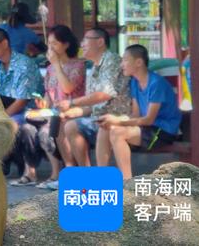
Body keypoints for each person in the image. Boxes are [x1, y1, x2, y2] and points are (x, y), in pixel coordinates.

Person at [96, 45, 182, 180]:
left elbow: (149, 119)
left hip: (162, 131)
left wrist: (118, 121)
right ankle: (101, 179)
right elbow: (136, 115)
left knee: (117, 132)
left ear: (139, 62)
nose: (121, 64)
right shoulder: (135, 83)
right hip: (146, 128)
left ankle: (127, 182)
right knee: (105, 128)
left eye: (125, 60)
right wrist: (114, 119)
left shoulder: (156, 83)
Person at [23, 25, 85, 190]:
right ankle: (55, 172)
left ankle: (67, 170)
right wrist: (42, 104)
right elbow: (49, 95)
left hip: (73, 112)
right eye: (48, 44)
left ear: (65, 45)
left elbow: (67, 89)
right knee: (29, 125)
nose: (50, 48)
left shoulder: (77, 66)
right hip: (54, 112)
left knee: (50, 129)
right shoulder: (49, 68)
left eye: (54, 44)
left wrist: (57, 64)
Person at [57, 27, 131, 167]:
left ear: (100, 42)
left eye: (86, 40)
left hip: (117, 117)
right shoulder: (93, 68)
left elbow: (104, 94)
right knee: (69, 124)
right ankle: (87, 174)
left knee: (95, 124)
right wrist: (70, 112)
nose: (82, 44)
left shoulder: (112, 60)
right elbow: (91, 107)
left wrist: (71, 102)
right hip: (98, 118)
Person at [0, 27, 43, 185]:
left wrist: (0, 118)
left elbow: (22, 100)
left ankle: (16, 166)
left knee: (11, 125)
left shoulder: (24, 64)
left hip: (28, 112)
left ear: (4, 43)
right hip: (4, 111)